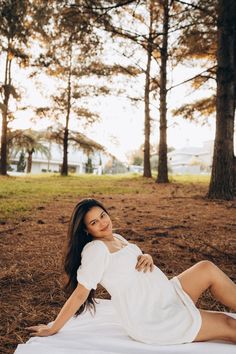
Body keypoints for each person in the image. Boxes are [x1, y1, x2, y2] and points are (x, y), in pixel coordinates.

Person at [27, 198, 236, 345]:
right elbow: (81, 293)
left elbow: (129, 263)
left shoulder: (116, 238)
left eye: (102, 215)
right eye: (94, 222)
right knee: (229, 325)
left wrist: (147, 256)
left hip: (165, 293)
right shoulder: (96, 250)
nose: (103, 223)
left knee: (206, 268)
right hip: (154, 315)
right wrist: (54, 328)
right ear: (86, 230)